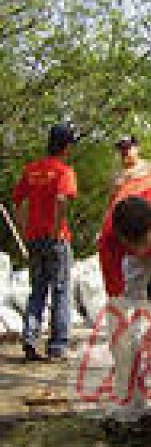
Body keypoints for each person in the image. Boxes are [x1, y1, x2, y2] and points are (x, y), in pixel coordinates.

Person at [12, 122, 78, 361]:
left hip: (34, 238)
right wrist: (58, 228)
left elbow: (17, 201)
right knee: (61, 290)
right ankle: (57, 347)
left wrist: (23, 229)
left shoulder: (31, 170)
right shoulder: (64, 171)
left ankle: (29, 339)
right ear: (67, 146)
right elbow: (61, 199)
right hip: (56, 239)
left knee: (38, 289)